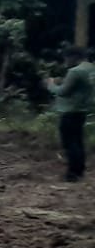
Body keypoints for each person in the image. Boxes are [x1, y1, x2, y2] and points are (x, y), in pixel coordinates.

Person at [47, 46, 95, 181]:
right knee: (78, 142)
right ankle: (79, 171)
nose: (65, 62)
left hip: (70, 111)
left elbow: (63, 92)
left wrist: (51, 85)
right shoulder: (91, 68)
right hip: (82, 110)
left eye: (66, 59)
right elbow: (77, 87)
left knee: (70, 143)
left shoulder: (75, 71)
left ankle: (72, 174)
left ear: (73, 57)